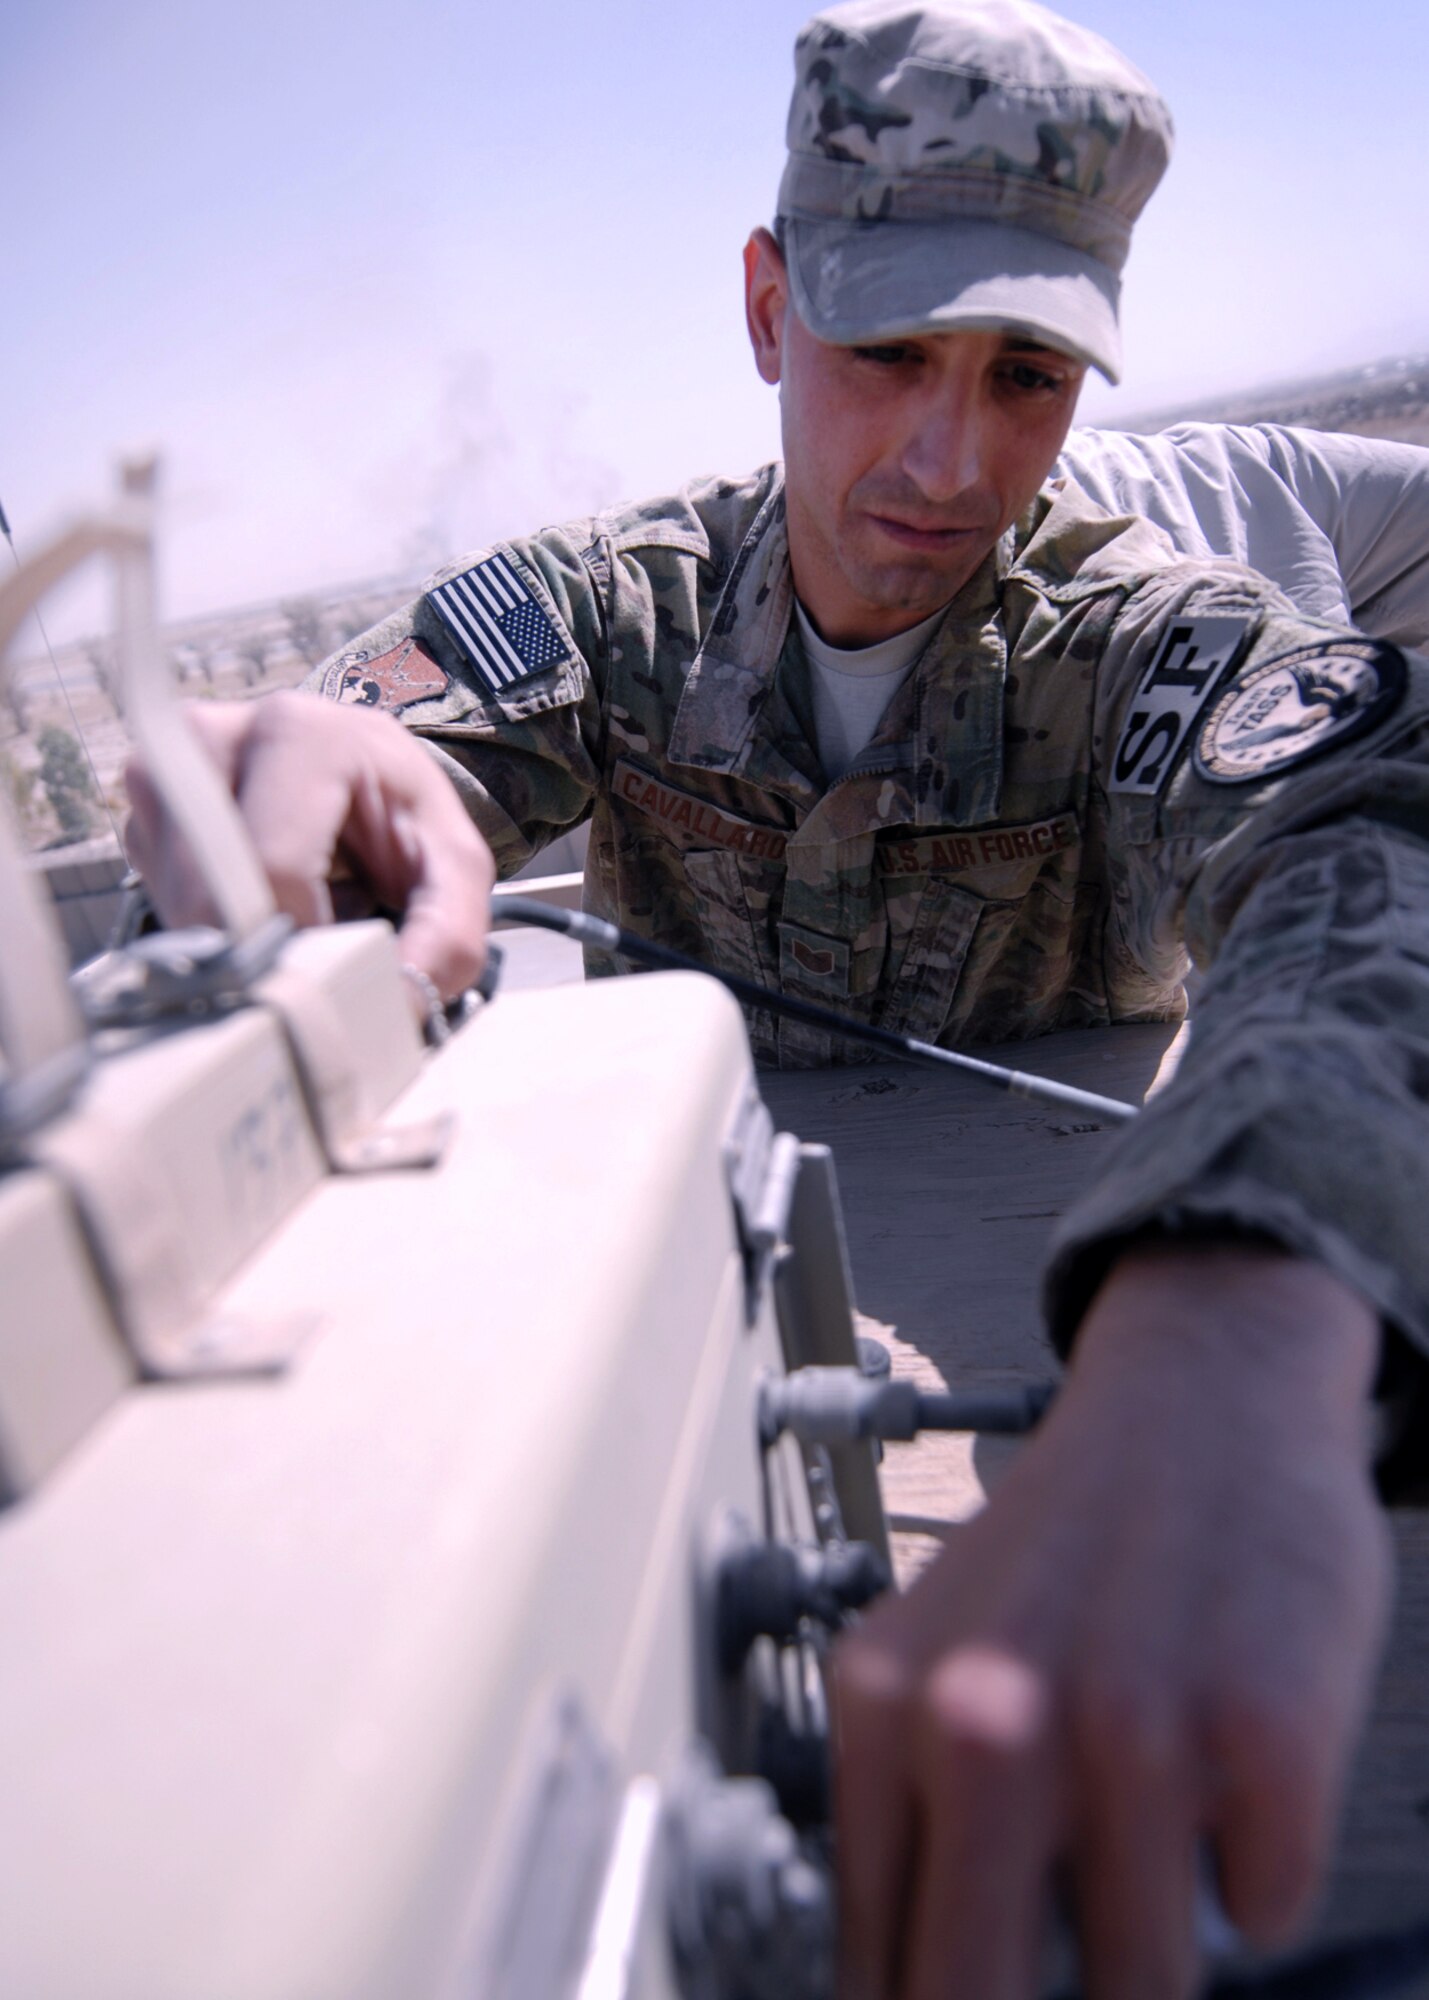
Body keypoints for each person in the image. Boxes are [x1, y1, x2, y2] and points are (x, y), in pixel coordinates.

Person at [125, 3, 1429, 1994]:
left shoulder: (1140, 635)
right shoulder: (617, 604)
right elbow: (362, 738)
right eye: (888, 353)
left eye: (1028, 376)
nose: (948, 454)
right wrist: (293, 774)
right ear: (765, 305)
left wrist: (1240, 1310)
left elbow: (1368, 834)